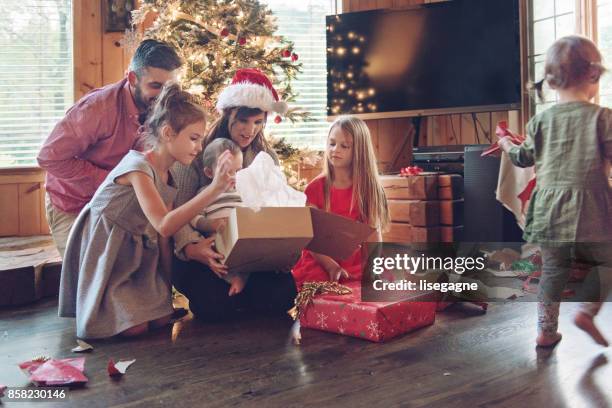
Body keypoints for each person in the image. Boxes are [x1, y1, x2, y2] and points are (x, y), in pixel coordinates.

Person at [58, 83, 235, 339]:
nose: (198, 148)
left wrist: (165, 288)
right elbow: (164, 223)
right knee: (135, 328)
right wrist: (215, 189)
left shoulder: (170, 175)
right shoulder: (138, 167)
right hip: (108, 245)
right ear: (167, 133)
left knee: (162, 318)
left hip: (137, 250)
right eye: (194, 139)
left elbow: (165, 235)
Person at [499, 35, 611, 348]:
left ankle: (546, 331)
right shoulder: (602, 118)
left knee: (553, 269)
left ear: (550, 81)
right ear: (593, 76)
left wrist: (506, 142)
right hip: (591, 209)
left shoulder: (540, 120)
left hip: (549, 211)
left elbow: (523, 158)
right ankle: (588, 312)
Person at [171, 68, 297, 322]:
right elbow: (178, 211)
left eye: (258, 122)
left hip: (253, 254)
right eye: (243, 120)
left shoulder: (266, 158)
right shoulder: (198, 151)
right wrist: (193, 248)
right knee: (213, 305)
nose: (249, 130)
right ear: (229, 114)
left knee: (282, 297)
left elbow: (275, 207)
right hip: (207, 251)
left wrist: (280, 251)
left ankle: (247, 292)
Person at [37, 39, 182, 257]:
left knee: (117, 278)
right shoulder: (96, 109)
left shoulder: (164, 108)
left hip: (118, 205)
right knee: (84, 280)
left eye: (169, 87)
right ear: (132, 78)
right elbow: (49, 158)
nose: (163, 96)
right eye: (156, 86)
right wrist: (109, 181)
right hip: (73, 205)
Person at [291, 115, 389, 288]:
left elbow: (374, 235)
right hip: (321, 259)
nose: (335, 150)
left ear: (359, 151)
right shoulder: (314, 189)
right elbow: (310, 239)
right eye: (332, 143)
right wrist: (331, 266)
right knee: (323, 287)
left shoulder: (370, 188)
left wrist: (373, 268)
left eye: (344, 146)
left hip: (355, 259)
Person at [190, 138, 247, 296]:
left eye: (238, 170)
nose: (234, 177)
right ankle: (234, 279)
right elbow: (194, 218)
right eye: (228, 171)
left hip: (242, 240)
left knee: (251, 254)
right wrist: (211, 225)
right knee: (218, 254)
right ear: (209, 173)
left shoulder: (242, 192)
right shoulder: (204, 194)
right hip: (218, 241)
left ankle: (242, 278)